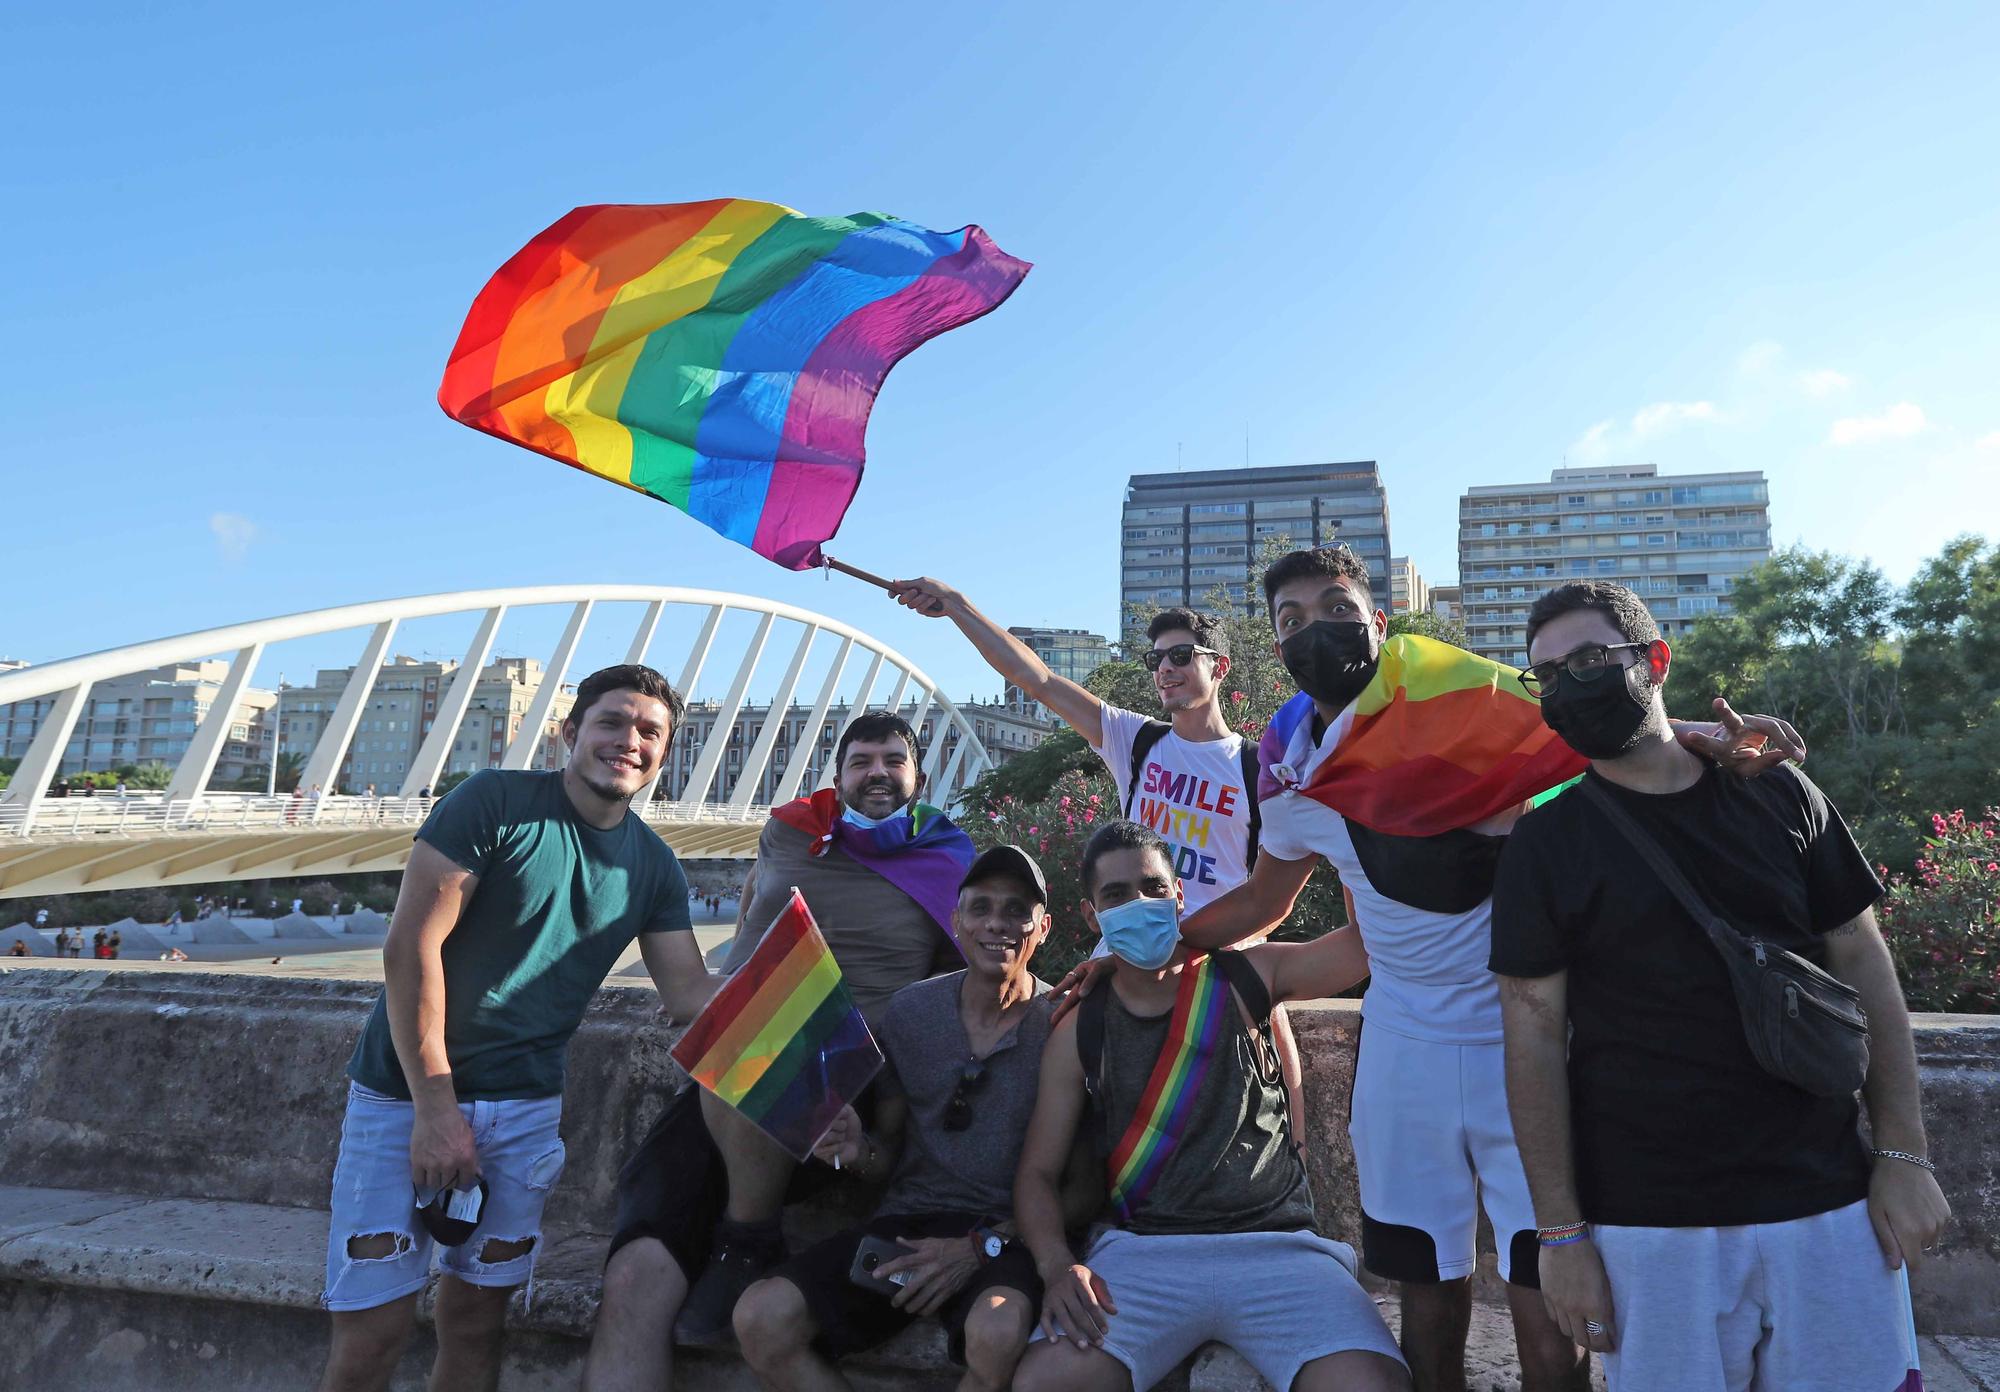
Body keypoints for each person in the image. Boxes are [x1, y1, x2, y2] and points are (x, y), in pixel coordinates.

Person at [1172, 545, 1802, 1392]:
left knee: (1552, 1320)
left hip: (1530, 1050)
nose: (1314, 630)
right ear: (1275, 646)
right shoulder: (1289, 771)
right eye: (1290, 622)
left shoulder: (1463, 703)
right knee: (1426, 1310)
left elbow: (1585, 730)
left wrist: (1704, 737)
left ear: (1379, 623)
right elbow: (1261, 903)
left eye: (1334, 608)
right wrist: (1149, 948)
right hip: (1402, 1054)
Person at [1490, 581, 1950, 1392]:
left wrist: (1904, 1154)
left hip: (1830, 1202)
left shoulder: (1777, 791)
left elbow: (1866, 966)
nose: (1567, 685)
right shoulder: (1545, 842)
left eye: (1591, 659)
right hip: (1650, 1223)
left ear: (1654, 660)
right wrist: (1561, 1236)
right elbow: (1530, 1033)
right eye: (1547, 676)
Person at [314, 664, 717, 1392]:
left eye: (649, 732)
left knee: (476, 1325)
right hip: (403, 1097)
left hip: (525, 1111)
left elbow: (691, 993)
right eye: (612, 722)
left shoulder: (654, 867)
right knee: (374, 1330)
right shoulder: (493, 803)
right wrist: (436, 1109)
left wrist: (811, 989)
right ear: (571, 731)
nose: (629, 741)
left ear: (666, 752)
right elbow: (411, 948)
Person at [586, 710, 979, 1387]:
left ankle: (748, 1235)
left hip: (856, 1075)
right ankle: (743, 1236)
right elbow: (750, 920)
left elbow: (963, 975)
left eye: (893, 760)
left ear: (920, 776)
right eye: (861, 761)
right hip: (738, 1063)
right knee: (633, 1272)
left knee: (754, 1046)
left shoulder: (947, 856)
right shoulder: (789, 830)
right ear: (838, 775)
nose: (877, 773)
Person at [886, 577, 1312, 1142]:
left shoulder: (1259, 768)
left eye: (1182, 655)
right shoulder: (1136, 742)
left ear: (1221, 666)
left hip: (1214, 973)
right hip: (1122, 965)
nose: (1165, 668)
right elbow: (1034, 678)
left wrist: (1199, 949)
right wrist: (959, 606)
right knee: (1097, 1128)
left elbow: (1271, 899)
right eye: (1155, 658)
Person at [1013, 819, 1408, 1392]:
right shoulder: (1081, 1025)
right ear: (1093, 917)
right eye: (1116, 895)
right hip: (1141, 1255)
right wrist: (1055, 1267)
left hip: (1280, 1250)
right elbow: (1037, 1172)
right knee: (1043, 1384)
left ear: (1179, 896)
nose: (1138, 904)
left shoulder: (1250, 976)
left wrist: (1348, 827)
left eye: (1152, 888)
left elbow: (1365, 944)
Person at [732, 844, 1061, 1392]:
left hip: (1007, 1236)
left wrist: (979, 1248)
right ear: (956, 922)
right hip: (907, 1226)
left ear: (1043, 928)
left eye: (1015, 911)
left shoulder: (1062, 1026)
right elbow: (886, 1153)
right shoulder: (912, 1012)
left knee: (997, 1336)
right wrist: (860, 1151)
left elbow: (1079, 1188)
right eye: (980, 908)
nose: (996, 924)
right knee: (760, 1319)